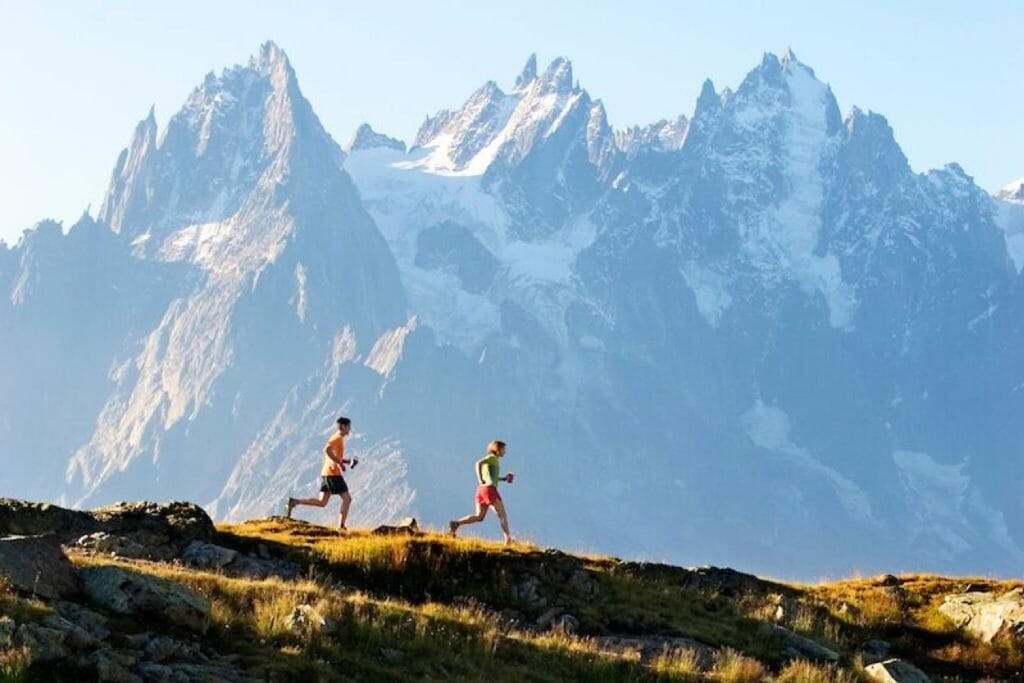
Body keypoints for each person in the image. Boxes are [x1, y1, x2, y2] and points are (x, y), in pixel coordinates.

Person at [285, 416, 357, 530]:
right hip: (333, 474)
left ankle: (294, 502)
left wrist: (348, 462)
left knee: (322, 502)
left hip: (327, 473)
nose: (350, 429)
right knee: (347, 499)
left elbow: (334, 456)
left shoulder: (337, 438)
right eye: (349, 426)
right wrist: (339, 463)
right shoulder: (337, 438)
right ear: (343, 426)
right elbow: (326, 450)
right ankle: (341, 527)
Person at [449, 440, 514, 546]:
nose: (505, 452)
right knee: (502, 515)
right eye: (503, 449)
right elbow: (477, 463)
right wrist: (480, 479)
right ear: (497, 450)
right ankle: (508, 540)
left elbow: (492, 477)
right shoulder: (493, 458)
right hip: (489, 489)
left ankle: (456, 524)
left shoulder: (492, 461)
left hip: (481, 490)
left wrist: (504, 479)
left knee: (479, 516)